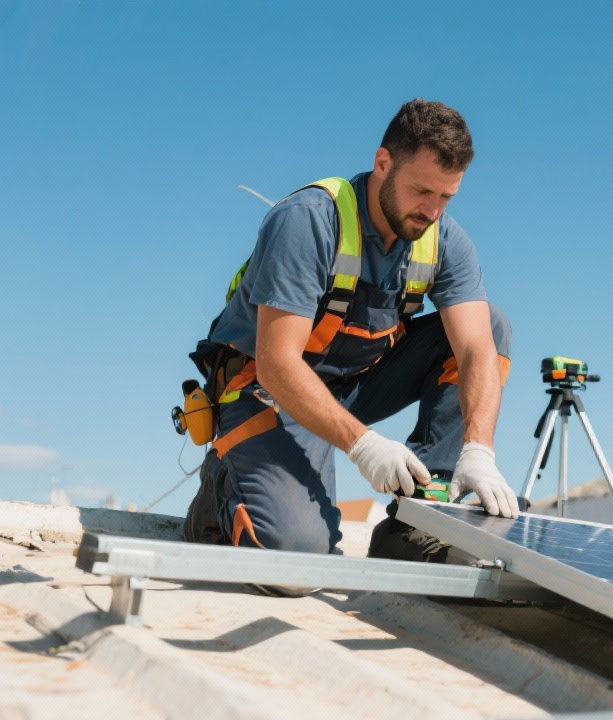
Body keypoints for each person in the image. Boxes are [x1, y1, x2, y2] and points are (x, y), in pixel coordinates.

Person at [183, 100, 517, 567]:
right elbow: (278, 362)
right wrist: (363, 446)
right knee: (296, 557)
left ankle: (415, 528)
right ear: (383, 163)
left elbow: (478, 349)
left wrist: (478, 451)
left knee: (491, 326)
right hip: (266, 389)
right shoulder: (308, 221)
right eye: (422, 191)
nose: (433, 211)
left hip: (351, 386)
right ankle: (223, 488)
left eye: (446, 197)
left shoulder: (443, 238)